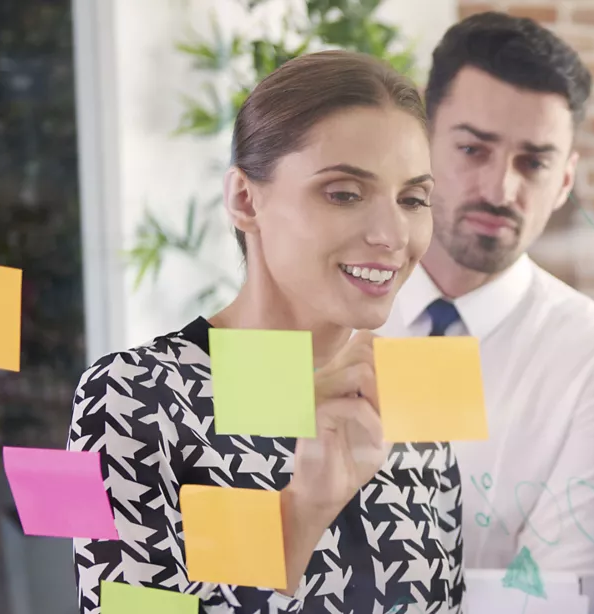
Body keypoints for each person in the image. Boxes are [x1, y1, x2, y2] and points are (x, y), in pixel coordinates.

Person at [68, 51, 460, 612]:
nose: (392, 234)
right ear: (245, 199)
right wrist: (298, 511)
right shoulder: (134, 397)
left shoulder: (408, 407)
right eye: (344, 193)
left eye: (413, 200)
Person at [373, 12, 594, 613]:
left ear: (567, 177)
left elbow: (552, 601)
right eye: (473, 149)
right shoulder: (307, 320)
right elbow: (250, 552)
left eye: (534, 162)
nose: (500, 189)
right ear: (418, 136)